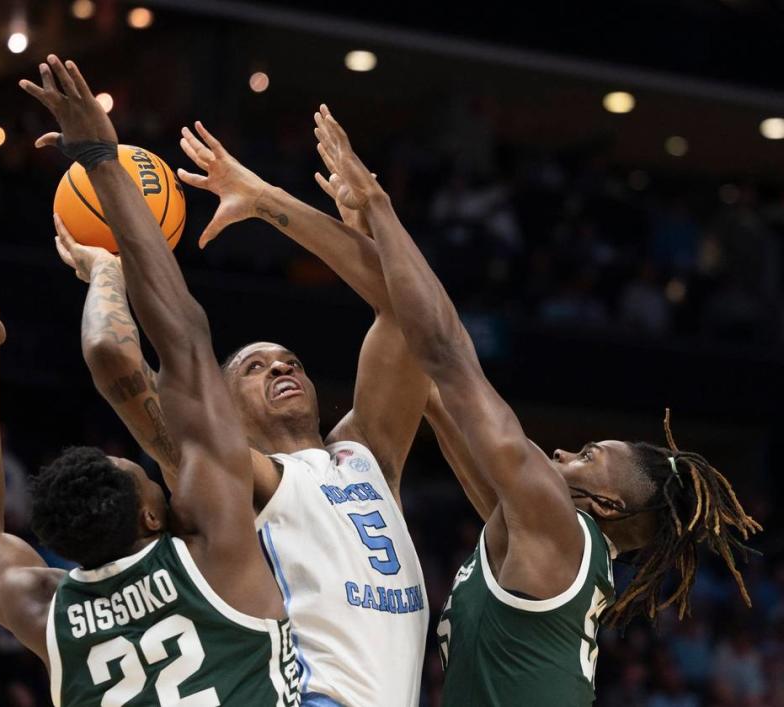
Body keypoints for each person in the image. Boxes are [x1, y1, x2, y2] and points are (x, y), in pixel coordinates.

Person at [311, 104, 761, 705]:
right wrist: (370, 238)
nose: (562, 451)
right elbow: (433, 392)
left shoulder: (558, 528)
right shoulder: (543, 534)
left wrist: (382, 206)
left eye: (587, 455)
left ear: (604, 503)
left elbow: (446, 350)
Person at [0, 55, 301, 704]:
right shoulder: (213, 548)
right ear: (154, 514)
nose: (142, 460)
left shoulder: (52, 609)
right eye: (136, 468)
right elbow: (173, 341)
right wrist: (101, 173)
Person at [50, 78, 431, 707]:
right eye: (254, 367)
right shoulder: (234, 477)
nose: (280, 367)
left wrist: (266, 199)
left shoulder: (369, 453)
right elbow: (114, 357)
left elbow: (406, 311)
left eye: (289, 360)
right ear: (222, 408)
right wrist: (109, 271)